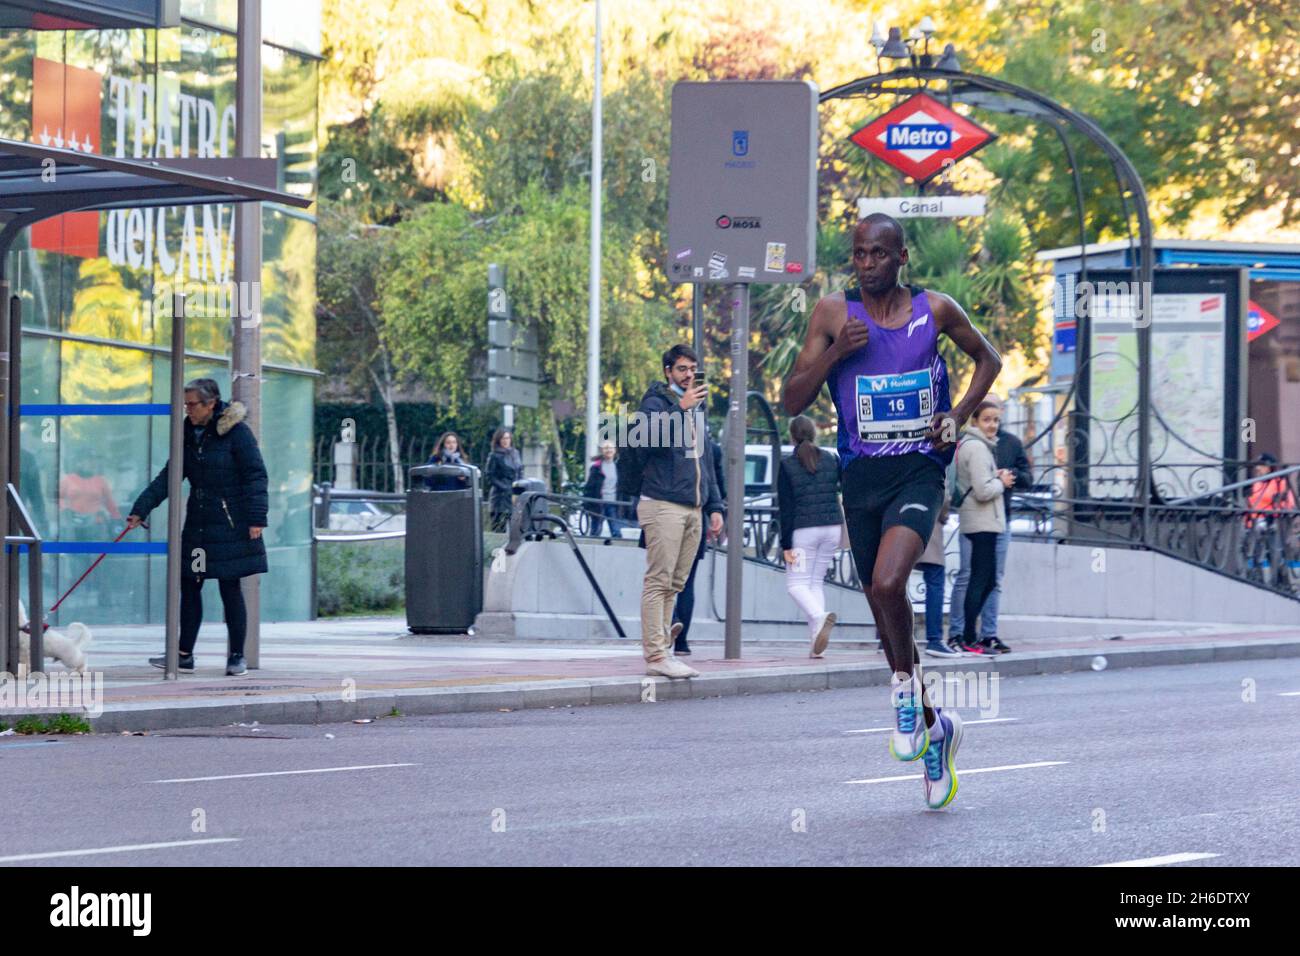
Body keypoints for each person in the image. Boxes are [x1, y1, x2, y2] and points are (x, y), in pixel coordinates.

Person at [782, 213, 1001, 810]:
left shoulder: (937, 309)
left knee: (886, 581)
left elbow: (989, 359)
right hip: (860, 477)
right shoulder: (833, 313)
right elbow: (790, 400)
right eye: (859, 254)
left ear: (901, 257)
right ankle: (936, 729)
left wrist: (956, 416)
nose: (868, 263)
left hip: (920, 469)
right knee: (882, 603)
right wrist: (834, 356)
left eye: (879, 253)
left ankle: (904, 690)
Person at [128, 378, 268, 677]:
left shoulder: (237, 433)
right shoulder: (187, 432)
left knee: (230, 587)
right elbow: (171, 474)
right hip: (199, 525)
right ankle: (184, 654)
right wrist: (141, 508)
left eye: (192, 404)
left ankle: (236, 656)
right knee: (190, 583)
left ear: (211, 404)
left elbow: (255, 476)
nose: (188, 410)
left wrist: (257, 518)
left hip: (231, 524)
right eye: (186, 404)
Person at [618, 344, 724, 679]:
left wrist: (715, 505)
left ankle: (664, 648)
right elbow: (646, 441)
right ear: (668, 372)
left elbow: (705, 460)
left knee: (676, 583)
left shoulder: (697, 410)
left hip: (693, 507)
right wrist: (680, 408)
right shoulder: (655, 403)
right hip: (662, 503)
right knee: (659, 580)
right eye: (682, 369)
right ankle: (656, 655)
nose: (689, 375)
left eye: (693, 369)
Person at [947, 395, 1031, 649]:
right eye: (987, 419)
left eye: (996, 419)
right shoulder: (976, 445)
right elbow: (982, 490)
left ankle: (985, 634)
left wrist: (1007, 476)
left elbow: (1027, 477)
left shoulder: (1003, 443)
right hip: (981, 520)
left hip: (995, 520)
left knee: (990, 579)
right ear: (975, 419)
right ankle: (963, 635)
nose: (992, 424)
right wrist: (1000, 482)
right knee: (974, 578)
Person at [777, 416, 843, 659]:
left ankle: (819, 617)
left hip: (804, 532)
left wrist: (786, 544)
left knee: (796, 585)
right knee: (814, 583)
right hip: (832, 528)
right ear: (814, 434)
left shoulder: (787, 464)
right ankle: (817, 641)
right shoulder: (831, 459)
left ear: (792, 436)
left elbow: (785, 507)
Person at [670, 434, 724, 656]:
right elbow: (713, 479)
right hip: (698, 513)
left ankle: (670, 622)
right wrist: (716, 509)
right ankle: (681, 642)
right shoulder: (707, 443)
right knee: (687, 582)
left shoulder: (666, 437)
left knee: (662, 577)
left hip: (669, 511)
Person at [915, 483, 961, 658]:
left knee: (895, 585)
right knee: (935, 584)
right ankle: (934, 639)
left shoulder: (894, 457)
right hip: (929, 528)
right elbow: (943, 496)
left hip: (896, 529)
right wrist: (942, 517)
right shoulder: (931, 459)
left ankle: (886, 637)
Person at [583, 440, 629, 538]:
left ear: (615, 450)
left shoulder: (619, 467)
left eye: (611, 448)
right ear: (602, 450)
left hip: (613, 503)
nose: (608, 450)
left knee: (616, 531)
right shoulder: (596, 467)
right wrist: (587, 503)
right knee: (596, 531)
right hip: (599, 503)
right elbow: (589, 487)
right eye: (606, 448)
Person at [485, 428, 522, 532]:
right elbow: (490, 476)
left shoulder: (515, 453)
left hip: (514, 496)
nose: (505, 441)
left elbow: (520, 471)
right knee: (499, 529)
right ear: (498, 440)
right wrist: (505, 488)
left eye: (507, 438)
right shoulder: (494, 455)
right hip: (499, 498)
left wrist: (519, 487)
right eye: (503, 439)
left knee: (517, 528)